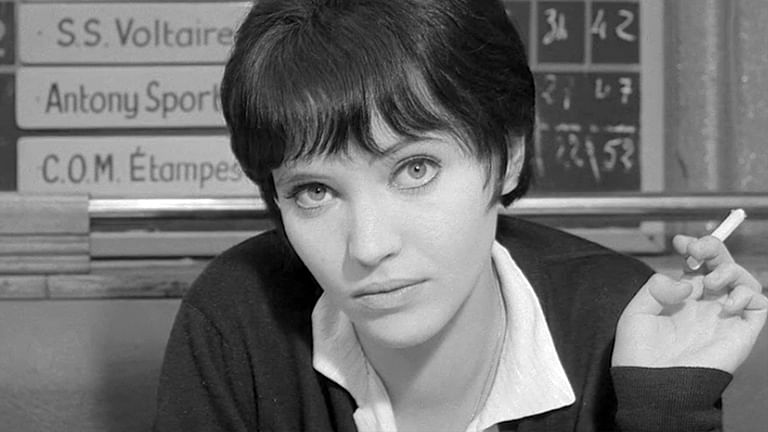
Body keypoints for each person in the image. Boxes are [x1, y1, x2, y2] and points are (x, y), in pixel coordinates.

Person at [153, 0, 768, 431]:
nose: (368, 246)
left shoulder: (620, 323)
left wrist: (667, 407)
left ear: (509, 156)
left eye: (415, 169)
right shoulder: (238, 320)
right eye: (314, 191)